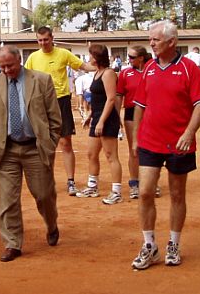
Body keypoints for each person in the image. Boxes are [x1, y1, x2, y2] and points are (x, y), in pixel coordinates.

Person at [131, 20, 200, 270]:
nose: (151, 44)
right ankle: (149, 245)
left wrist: (189, 132)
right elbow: (140, 105)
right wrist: (135, 137)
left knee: (177, 194)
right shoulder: (149, 68)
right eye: (150, 39)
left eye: (155, 39)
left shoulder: (188, 68)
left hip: (180, 143)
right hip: (150, 141)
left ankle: (173, 244)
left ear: (171, 42)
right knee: (144, 192)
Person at [0, 45, 61, 262]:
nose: (6, 70)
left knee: (44, 195)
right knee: (8, 200)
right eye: (2, 66)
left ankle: (51, 224)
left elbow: (54, 118)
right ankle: (12, 243)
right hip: (5, 150)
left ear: (20, 60)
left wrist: (50, 143)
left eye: (10, 65)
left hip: (35, 148)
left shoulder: (41, 80)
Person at [24, 26, 94, 196]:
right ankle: (46, 182)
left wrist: (100, 66)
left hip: (61, 101)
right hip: (40, 103)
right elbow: (23, 77)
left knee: (65, 143)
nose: (43, 43)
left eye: (45, 40)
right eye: (39, 40)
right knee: (43, 144)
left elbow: (83, 66)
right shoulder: (33, 57)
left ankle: (71, 181)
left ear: (52, 38)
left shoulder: (63, 53)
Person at [77, 44, 123, 204]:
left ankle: (116, 191)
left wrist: (102, 121)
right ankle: (92, 186)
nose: (88, 58)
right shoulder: (97, 73)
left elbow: (111, 99)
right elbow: (98, 99)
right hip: (97, 117)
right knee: (92, 154)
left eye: (90, 55)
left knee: (111, 156)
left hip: (107, 119)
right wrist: (90, 115)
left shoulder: (108, 74)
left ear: (96, 57)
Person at [115, 46, 161, 200]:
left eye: (132, 57)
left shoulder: (154, 70)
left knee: (152, 148)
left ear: (141, 57)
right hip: (131, 113)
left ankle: (151, 183)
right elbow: (119, 95)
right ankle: (135, 183)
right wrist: (116, 116)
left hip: (151, 113)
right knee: (134, 149)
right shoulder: (125, 73)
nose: (129, 59)